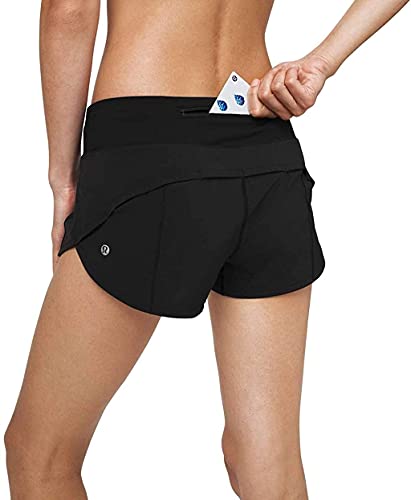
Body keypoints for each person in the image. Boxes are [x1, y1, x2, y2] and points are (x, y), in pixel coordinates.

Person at [4, 0, 408, 498]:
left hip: (147, 149)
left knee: (38, 455)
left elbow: (69, 9)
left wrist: (64, 180)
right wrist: (322, 62)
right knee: (267, 467)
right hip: (265, 151)